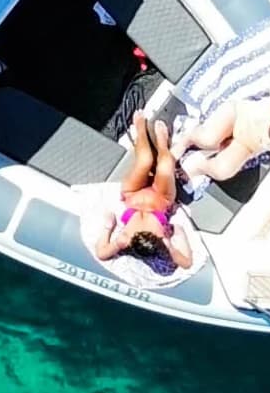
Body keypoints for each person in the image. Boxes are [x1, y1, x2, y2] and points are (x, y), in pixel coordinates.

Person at [80, 110, 200, 278]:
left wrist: (108, 227)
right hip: (162, 197)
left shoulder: (124, 239)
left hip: (132, 192)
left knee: (145, 160)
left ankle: (140, 128)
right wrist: (172, 245)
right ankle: (162, 143)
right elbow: (187, 263)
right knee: (165, 165)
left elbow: (101, 253)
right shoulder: (162, 240)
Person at [176, 89, 270, 185]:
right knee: (209, 139)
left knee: (223, 171)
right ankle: (186, 140)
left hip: (244, 144)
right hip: (237, 116)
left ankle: (199, 167)